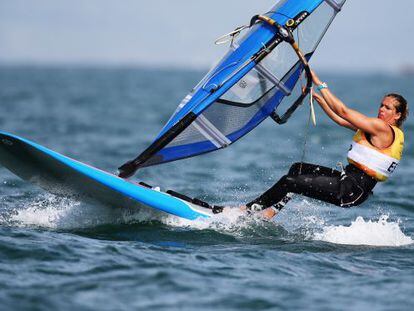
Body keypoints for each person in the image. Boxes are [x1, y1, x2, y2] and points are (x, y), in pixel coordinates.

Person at [245, 70, 408, 219]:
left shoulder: (382, 129)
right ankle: (272, 211)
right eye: (381, 105)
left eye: (388, 108)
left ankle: (246, 211)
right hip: (349, 180)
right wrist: (318, 98)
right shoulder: (377, 130)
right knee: (297, 168)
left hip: (351, 189)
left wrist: (319, 83)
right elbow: (340, 119)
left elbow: (343, 111)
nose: (382, 109)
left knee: (289, 181)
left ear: (397, 115)